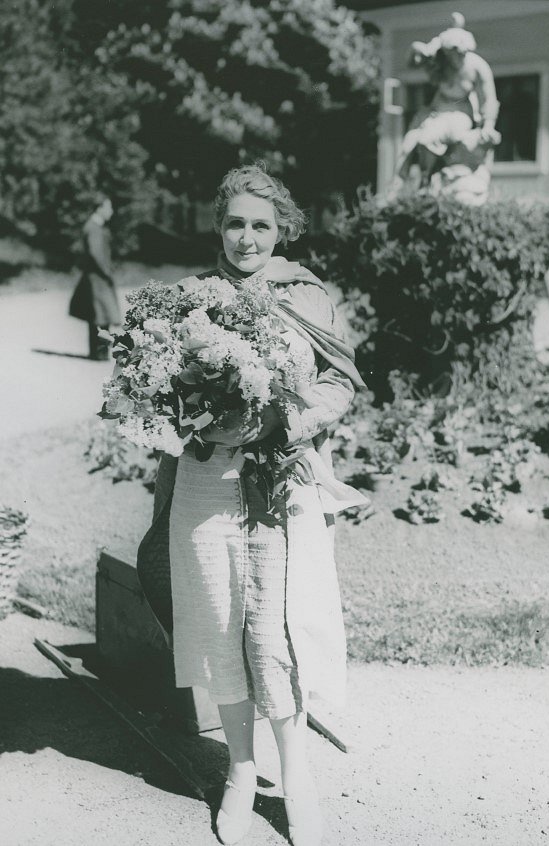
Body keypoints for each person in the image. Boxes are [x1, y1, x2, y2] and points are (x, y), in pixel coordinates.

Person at [136, 164, 368, 846]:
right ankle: (240, 772)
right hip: (205, 483)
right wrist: (181, 410)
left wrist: (278, 424)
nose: (246, 238)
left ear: (283, 230)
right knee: (216, 621)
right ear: (218, 227)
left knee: (275, 632)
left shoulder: (305, 296)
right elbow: (153, 388)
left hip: (279, 478)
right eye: (234, 223)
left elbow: (339, 383)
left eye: (260, 225)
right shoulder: (187, 299)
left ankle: (295, 777)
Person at [395, 13, 501, 201]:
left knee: (432, 137)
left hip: (460, 113)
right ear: (447, 52)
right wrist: (426, 48)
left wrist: (488, 126)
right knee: (421, 140)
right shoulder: (440, 62)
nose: (460, 56)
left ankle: (430, 182)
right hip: (438, 111)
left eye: (463, 52)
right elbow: (412, 61)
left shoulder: (477, 66)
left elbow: (489, 99)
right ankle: (425, 181)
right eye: (455, 53)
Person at [69, 194, 120, 360]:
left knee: (99, 314)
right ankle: (99, 354)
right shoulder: (94, 228)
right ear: (100, 208)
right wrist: (106, 271)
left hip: (96, 277)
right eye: (109, 207)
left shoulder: (94, 226)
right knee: (101, 315)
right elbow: (96, 253)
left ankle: (98, 353)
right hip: (97, 278)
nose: (111, 211)